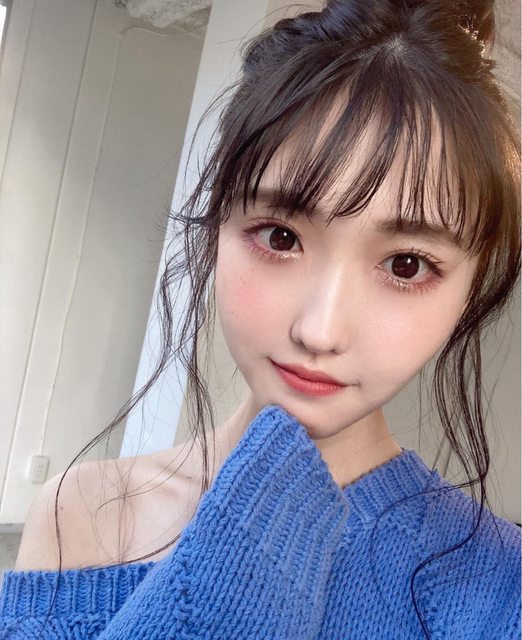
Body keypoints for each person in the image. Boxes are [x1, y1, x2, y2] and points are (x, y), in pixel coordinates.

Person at [0, 0, 520, 637]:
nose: (319, 331)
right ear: (217, 225)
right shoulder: (80, 511)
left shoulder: (500, 589)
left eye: (406, 265)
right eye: (280, 237)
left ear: (470, 287)